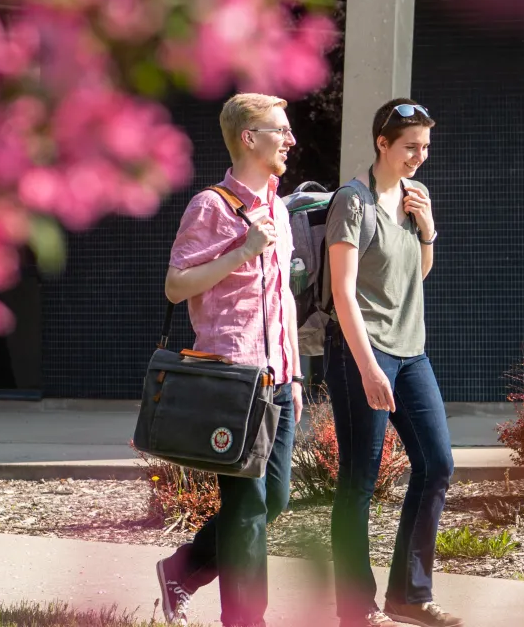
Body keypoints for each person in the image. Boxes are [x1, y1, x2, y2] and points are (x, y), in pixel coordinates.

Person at [155, 93, 303, 627]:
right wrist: (241, 250)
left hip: (279, 378)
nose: (290, 140)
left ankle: (184, 569)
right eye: (280, 131)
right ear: (249, 138)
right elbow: (176, 287)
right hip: (234, 380)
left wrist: (296, 376)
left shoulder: (280, 208)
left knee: (276, 499)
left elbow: (282, 298)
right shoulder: (211, 207)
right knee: (247, 510)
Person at [326, 99, 461, 627]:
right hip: (362, 352)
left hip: (411, 351)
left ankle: (410, 595)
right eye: (410, 147)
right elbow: (342, 293)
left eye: (425, 147)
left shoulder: (413, 196)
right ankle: (355, 609)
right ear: (382, 142)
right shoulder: (351, 203)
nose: (419, 157)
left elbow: (415, 275)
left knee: (437, 465)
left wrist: (427, 229)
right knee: (359, 479)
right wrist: (368, 367)